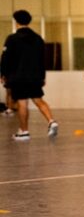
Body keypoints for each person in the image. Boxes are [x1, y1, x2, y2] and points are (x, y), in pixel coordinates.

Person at [1, 10, 58, 140]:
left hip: (18, 76)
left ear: (16, 22)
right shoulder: (38, 39)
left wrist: (3, 74)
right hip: (35, 76)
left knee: (22, 102)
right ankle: (51, 121)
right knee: (38, 100)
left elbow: (5, 58)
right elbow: (42, 59)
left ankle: (24, 131)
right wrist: (42, 76)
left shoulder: (12, 38)